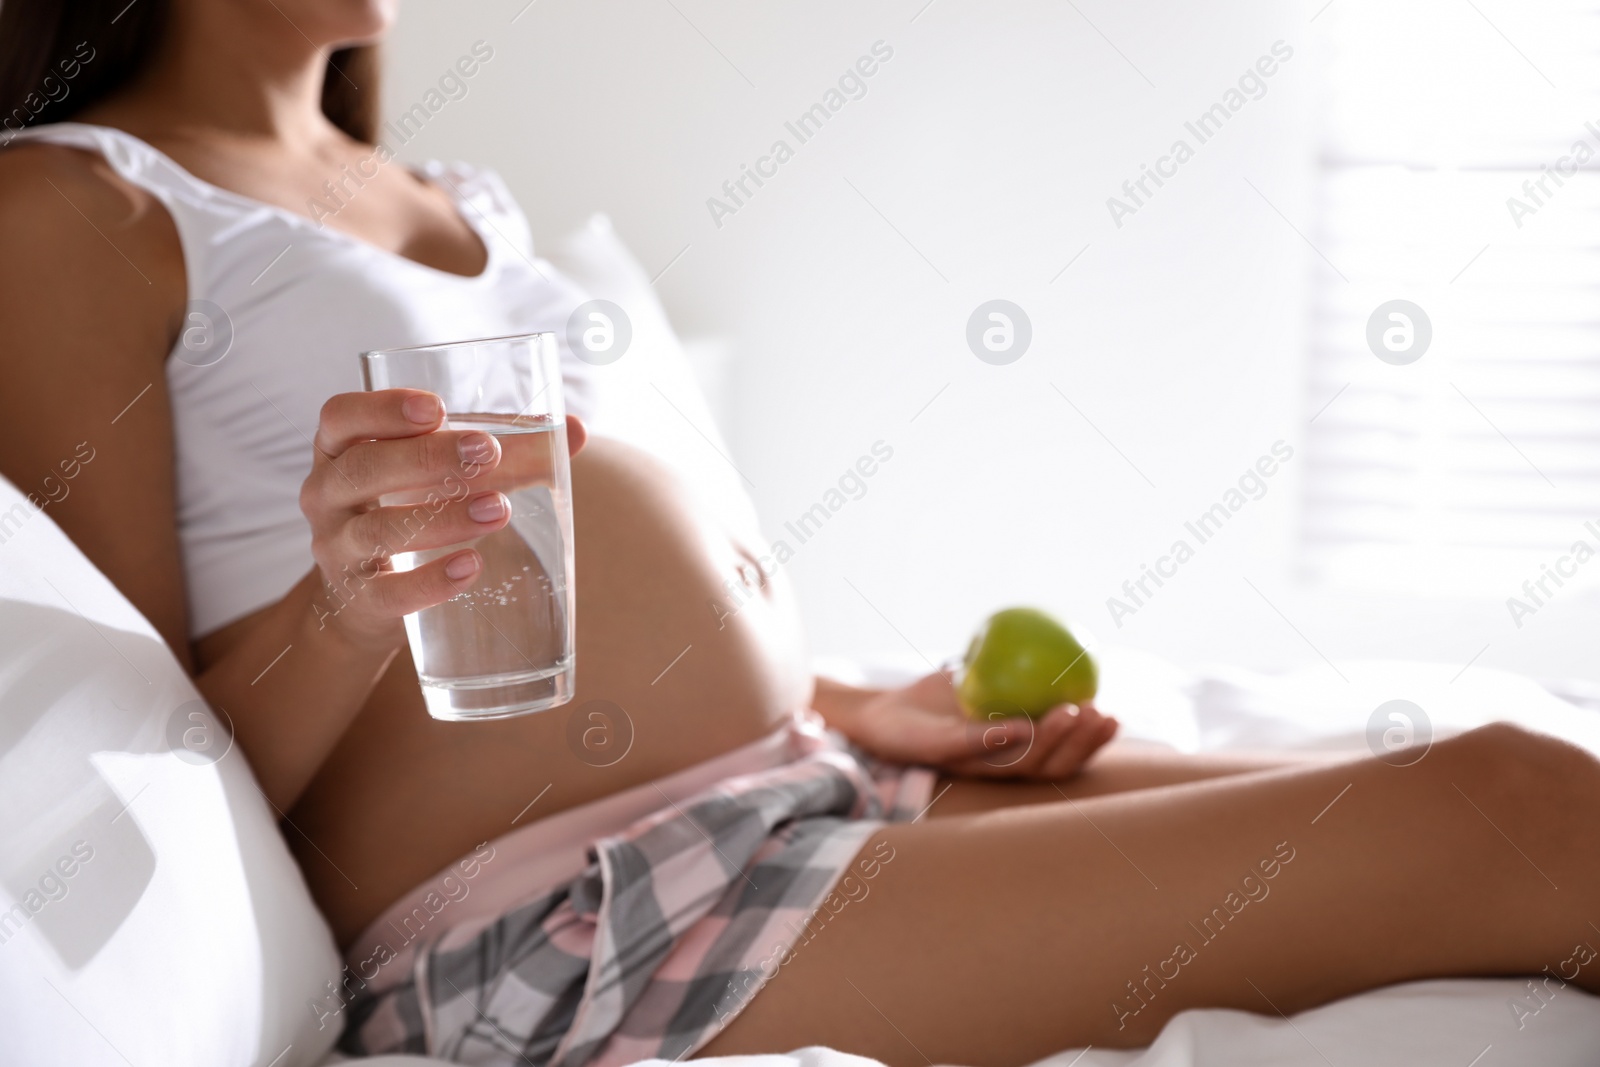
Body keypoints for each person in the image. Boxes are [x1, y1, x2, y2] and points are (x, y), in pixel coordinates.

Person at [1, 3, 1596, 1065]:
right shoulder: (76, 211)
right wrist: (344, 606)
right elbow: (142, 771)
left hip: (799, 783)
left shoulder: (440, 185)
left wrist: (843, 708)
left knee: (1532, 773)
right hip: (577, 915)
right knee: (1524, 813)